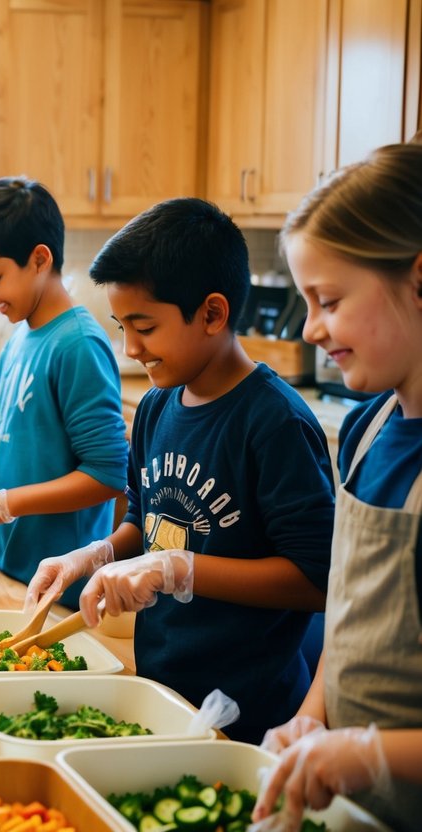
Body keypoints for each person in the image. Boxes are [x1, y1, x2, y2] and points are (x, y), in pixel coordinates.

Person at [24, 197, 335, 744]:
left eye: (144, 326)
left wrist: (183, 568)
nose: (129, 348)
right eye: (121, 326)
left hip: (249, 712)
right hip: (162, 687)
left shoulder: (275, 422)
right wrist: (92, 555)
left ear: (213, 314)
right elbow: (143, 523)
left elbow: (316, 579)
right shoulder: (155, 408)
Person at [251, 143, 422, 831]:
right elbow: (347, 620)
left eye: (327, 300)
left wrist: (371, 753)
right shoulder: (365, 430)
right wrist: (311, 719)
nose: (310, 328)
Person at [0, 177, 128, 605]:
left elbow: (108, 475)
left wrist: (2, 504)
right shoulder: (20, 338)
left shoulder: (78, 345)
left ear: (39, 259)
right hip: (11, 567)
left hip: (62, 587)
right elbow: (23, 442)